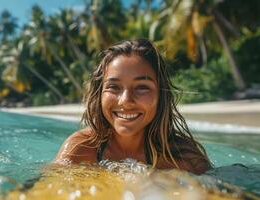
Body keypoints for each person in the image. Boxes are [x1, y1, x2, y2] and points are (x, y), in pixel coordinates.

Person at [55, 39, 212, 175]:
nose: (126, 101)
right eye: (114, 87)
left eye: (142, 87)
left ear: (161, 95)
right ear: (99, 94)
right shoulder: (80, 149)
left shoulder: (184, 159)